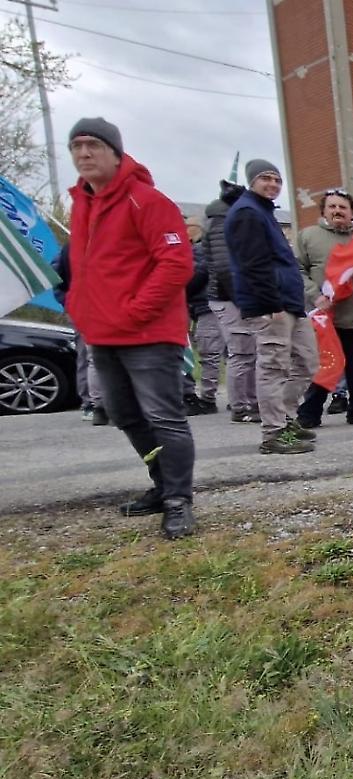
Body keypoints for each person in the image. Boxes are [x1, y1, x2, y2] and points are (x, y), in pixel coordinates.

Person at [63, 117, 197, 538]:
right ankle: (162, 486)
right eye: (76, 146)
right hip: (102, 333)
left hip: (149, 333)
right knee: (123, 415)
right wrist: (78, 307)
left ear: (115, 153)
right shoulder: (83, 203)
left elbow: (176, 263)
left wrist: (137, 310)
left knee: (165, 417)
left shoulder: (147, 200)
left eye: (93, 145)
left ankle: (179, 501)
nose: (83, 154)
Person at [226, 158, 318, 454]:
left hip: (290, 303)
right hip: (271, 305)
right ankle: (273, 432)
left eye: (277, 180)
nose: (273, 184)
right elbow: (252, 264)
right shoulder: (247, 213)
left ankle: (287, 418)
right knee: (274, 366)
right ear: (252, 181)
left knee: (306, 362)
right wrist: (270, 302)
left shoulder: (264, 213)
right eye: (266, 178)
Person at [294, 188, 353, 427]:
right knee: (325, 366)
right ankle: (309, 413)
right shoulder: (308, 236)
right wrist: (315, 296)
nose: (337, 211)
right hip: (324, 315)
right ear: (324, 211)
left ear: (352, 213)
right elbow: (296, 271)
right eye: (332, 207)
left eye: (343, 207)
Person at [201, 179, 259, 424]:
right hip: (230, 297)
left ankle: (252, 401)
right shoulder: (222, 220)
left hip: (235, 295)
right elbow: (225, 267)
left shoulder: (224, 218)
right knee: (242, 352)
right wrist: (242, 300)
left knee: (250, 351)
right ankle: (241, 405)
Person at [52, 244, 108, 425]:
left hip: (91, 306)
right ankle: (92, 404)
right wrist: (68, 302)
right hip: (87, 306)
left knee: (91, 356)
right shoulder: (71, 247)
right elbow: (57, 278)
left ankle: (96, 403)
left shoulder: (71, 246)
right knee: (91, 356)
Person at [183, 221, 221, 415]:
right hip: (209, 305)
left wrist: (182, 292)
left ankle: (208, 397)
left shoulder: (198, 251)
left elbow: (195, 275)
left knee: (209, 352)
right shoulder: (209, 250)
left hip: (205, 306)